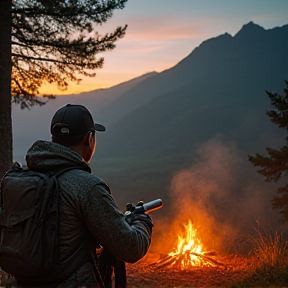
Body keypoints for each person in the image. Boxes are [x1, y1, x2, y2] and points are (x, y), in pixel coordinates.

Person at [14, 104, 153, 288]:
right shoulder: (88, 187)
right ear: (89, 139)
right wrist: (142, 222)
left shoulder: (25, 179)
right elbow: (130, 248)